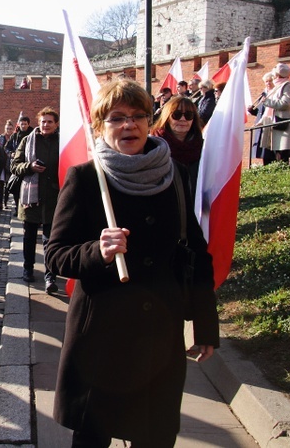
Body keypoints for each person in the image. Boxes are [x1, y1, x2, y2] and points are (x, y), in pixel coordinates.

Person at [45, 78, 219, 447]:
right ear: (100, 126)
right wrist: (98, 251)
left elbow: (197, 253)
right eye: (116, 118)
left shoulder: (175, 177)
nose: (129, 125)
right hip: (102, 339)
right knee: (93, 436)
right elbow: (56, 254)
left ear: (150, 121)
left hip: (160, 335)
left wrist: (205, 324)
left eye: (138, 115)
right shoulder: (86, 179)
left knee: (154, 435)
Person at [10, 107, 60, 293]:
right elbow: (14, 166)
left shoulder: (61, 142)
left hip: (53, 197)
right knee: (29, 237)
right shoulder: (27, 140)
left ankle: (50, 276)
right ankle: (28, 268)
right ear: (38, 123)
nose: (45, 125)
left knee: (50, 239)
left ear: (56, 124)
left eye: (49, 122)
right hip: (30, 197)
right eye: (43, 121)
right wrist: (29, 167)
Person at [151, 95, 204, 192]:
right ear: (167, 117)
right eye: (177, 114)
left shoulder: (203, 147)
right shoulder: (153, 146)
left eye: (188, 115)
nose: (183, 119)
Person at [259, 63, 290, 164]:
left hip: (282, 124)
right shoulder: (277, 86)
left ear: (278, 75)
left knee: (281, 156)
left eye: (274, 74)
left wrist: (267, 102)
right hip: (273, 124)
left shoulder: (288, 86)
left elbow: (285, 104)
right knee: (269, 156)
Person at [5, 114, 33, 215]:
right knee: (16, 188)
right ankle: (17, 208)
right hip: (17, 165)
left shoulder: (33, 135)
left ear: (28, 124)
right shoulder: (15, 135)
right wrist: (11, 153)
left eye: (25, 124)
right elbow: (6, 148)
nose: (23, 126)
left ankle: (27, 209)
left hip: (29, 165)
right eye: (22, 124)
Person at [248, 72, 275, 162]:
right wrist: (252, 110)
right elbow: (260, 112)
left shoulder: (274, 93)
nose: (268, 83)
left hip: (270, 124)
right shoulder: (263, 94)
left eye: (270, 81)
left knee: (269, 151)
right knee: (263, 152)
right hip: (261, 125)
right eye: (266, 81)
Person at [0, 119, 14, 210]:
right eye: (7, 128)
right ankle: (0, 203)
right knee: (1, 184)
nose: (9, 130)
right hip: (2, 163)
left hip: (10, 164)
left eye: (10, 129)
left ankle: (5, 202)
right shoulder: (1, 137)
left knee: (7, 184)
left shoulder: (14, 138)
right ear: (5, 128)